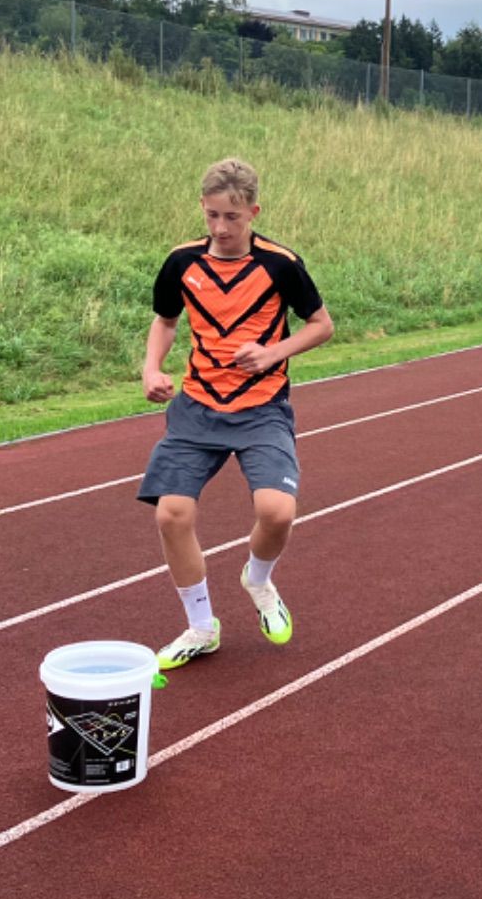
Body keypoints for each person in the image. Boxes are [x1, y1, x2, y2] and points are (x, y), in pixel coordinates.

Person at [139, 158, 335, 668]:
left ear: (253, 212)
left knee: (277, 512)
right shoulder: (182, 262)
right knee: (171, 514)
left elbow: (321, 325)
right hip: (197, 406)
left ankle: (258, 580)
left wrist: (273, 353)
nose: (221, 228)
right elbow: (165, 321)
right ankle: (201, 628)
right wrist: (151, 369)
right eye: (212, 216)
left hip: (262, 407)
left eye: (232, 217)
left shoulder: (280, 264)